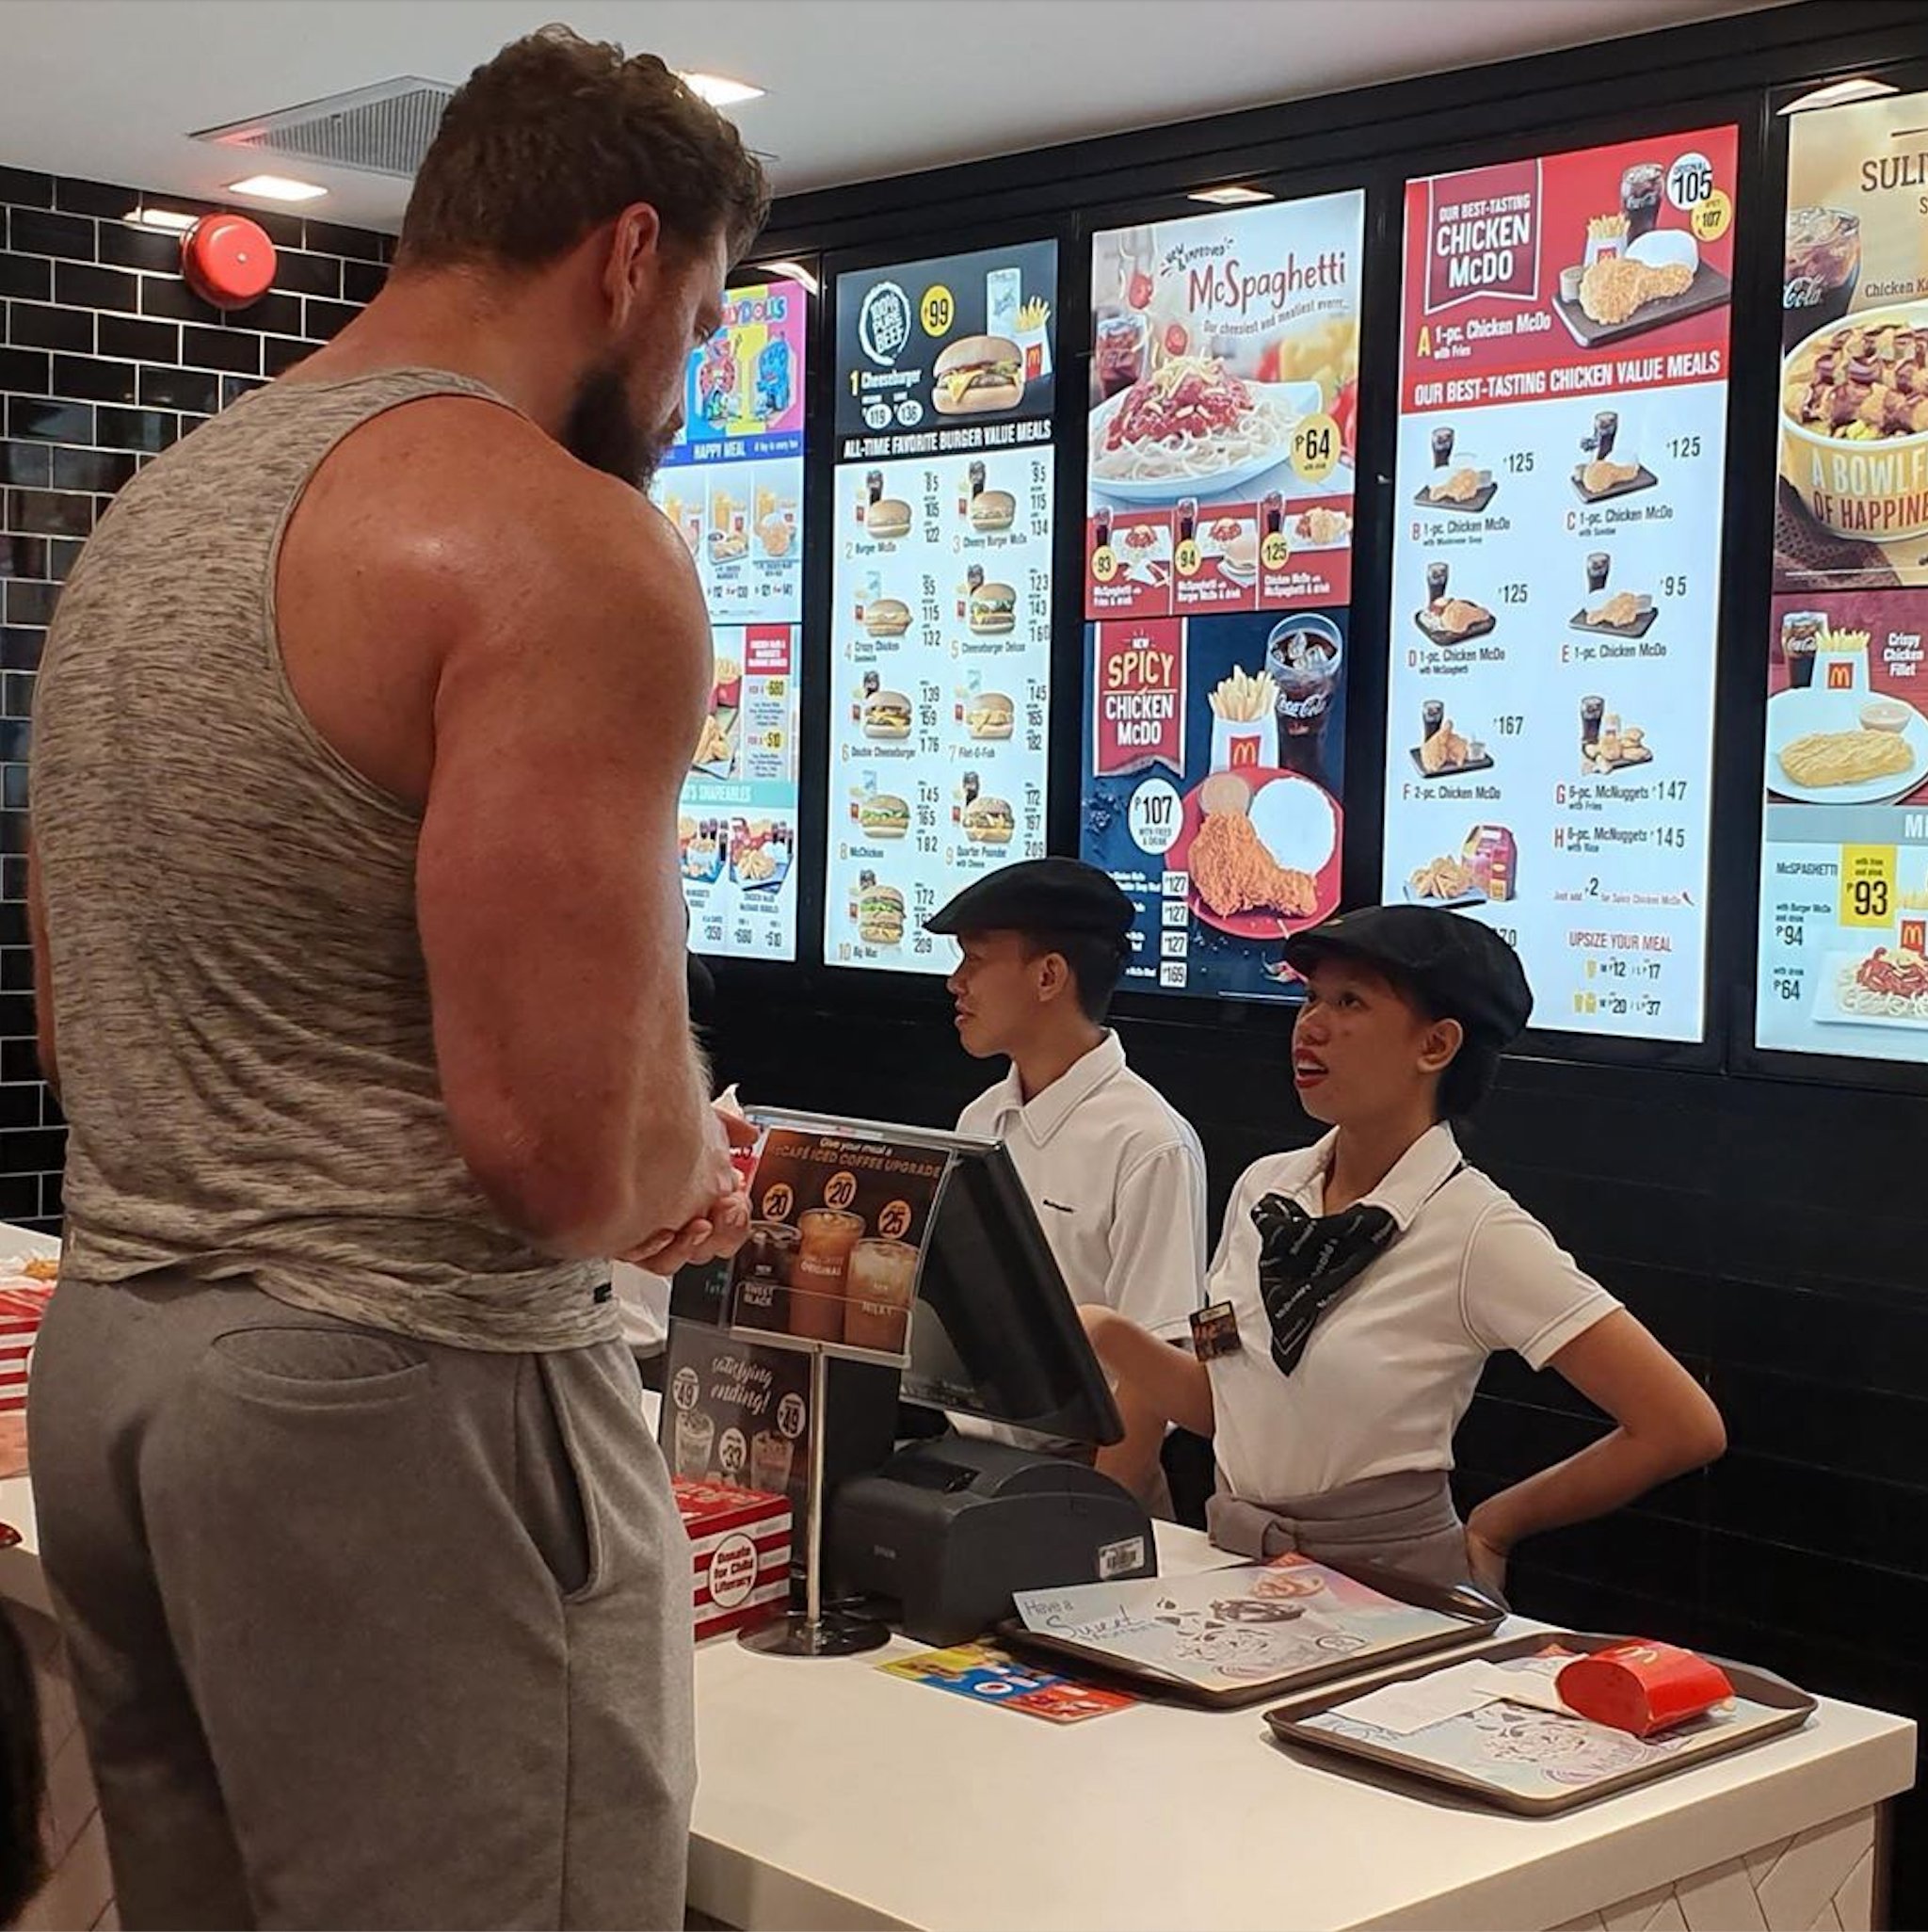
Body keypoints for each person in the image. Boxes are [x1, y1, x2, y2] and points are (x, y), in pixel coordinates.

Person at [26, 28, 765, 1929]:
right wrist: (680, 1161)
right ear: (625, 255)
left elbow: (87, 1006)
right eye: (694, 318)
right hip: (393, 1388)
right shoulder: (558, 541)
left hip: (122, 1364)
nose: (679, 389)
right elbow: (559, 1160)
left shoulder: (155, 518)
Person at [1079, 907, 1725, 1598]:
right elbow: (1230, 1407)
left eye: (1349, 1001)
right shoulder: (1265, 1192)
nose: (1311, 1025)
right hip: (1240, 1575)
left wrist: (1495, 1525)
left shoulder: (1474, 1227)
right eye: (1310, 998)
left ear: (1437, 1045)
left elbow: (1681, 1425)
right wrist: (1111, 1334)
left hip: (1395, 1594)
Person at [928, 857, 1207, 1382]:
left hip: (1078, 1456)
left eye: (974, 960)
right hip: (968, 1439)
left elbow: (1158, 1365)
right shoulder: (980, 1119)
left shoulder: (1148, 1142)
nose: (955, 982)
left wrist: (1106, 1470)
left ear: (1049, 975)